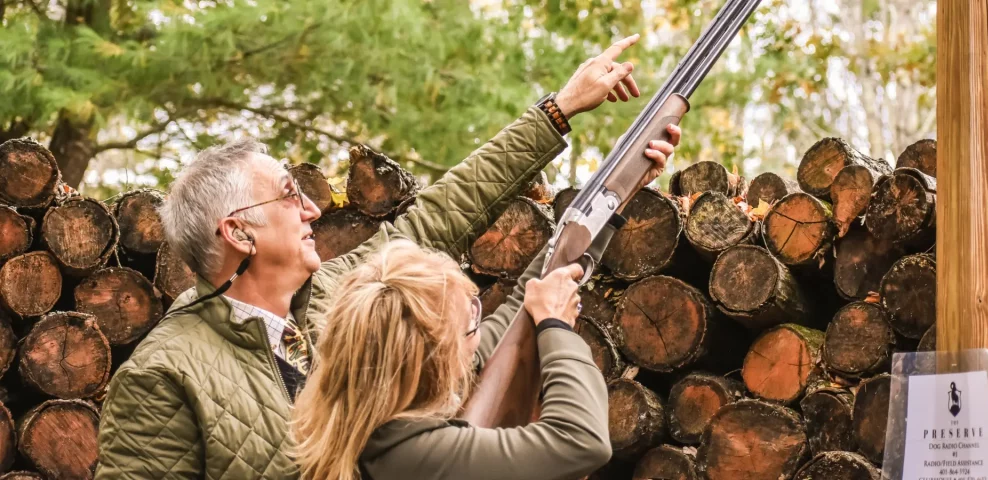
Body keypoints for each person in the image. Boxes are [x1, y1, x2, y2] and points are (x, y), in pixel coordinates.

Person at [94, 34, 678, 479]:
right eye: (289, 194)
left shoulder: (345, 293)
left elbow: (448, 208)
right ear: (239, 234)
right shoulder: (162, 374)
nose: (312, 210)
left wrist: (566, 122)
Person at [289, 133, 677, 480]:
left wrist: (613, 198)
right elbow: (582, 442)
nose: (481, 319)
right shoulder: (411, 457)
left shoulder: (380, 412)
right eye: (471, 319)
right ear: (435, 361)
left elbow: (524, 301)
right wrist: (557, 327)